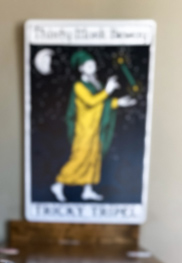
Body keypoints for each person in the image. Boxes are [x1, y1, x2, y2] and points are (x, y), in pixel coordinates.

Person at [51, 49, 136, 202]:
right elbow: (91, 101)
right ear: (81, 68)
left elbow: (103, 104)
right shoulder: (79, 86)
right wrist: (107, 90)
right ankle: (58, 184)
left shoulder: (97, 86)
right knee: (79, 158)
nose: (93, 69)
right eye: (89, 66)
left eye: (94, 66)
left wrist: (119, 102)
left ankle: (87, 190)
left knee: (93, 159)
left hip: (95, 129)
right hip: (83, 130)